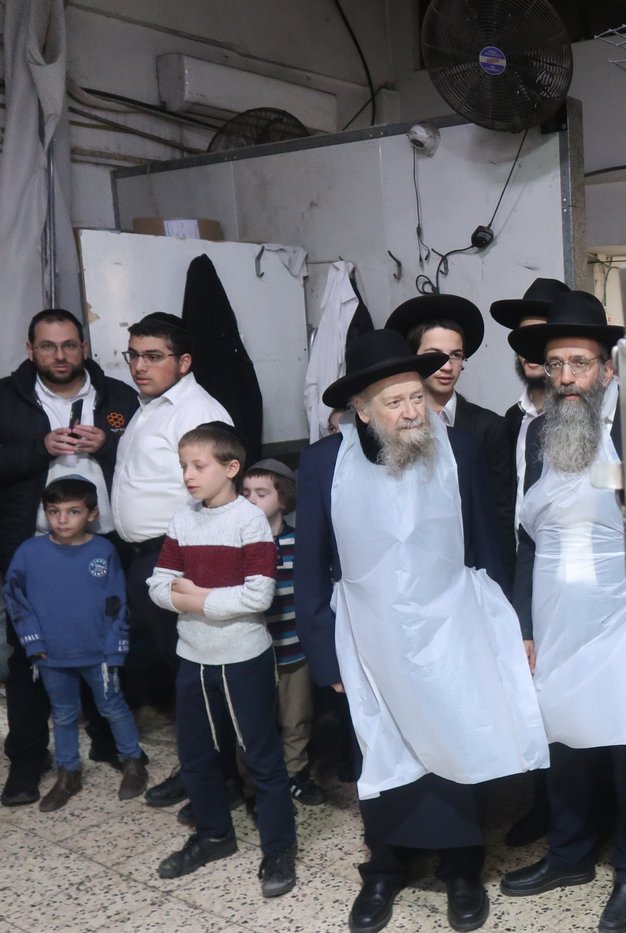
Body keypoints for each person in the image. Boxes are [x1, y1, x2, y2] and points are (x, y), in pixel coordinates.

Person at [296, 329, 548, 933]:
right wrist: (326, 661)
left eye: (416, 397)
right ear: (361, 409)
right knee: (381, 751)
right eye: (394, 401)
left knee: (456, 738)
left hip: (450, 630)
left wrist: (509, 625)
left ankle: (463, 868)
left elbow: (487, 543)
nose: (412, 411)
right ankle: (385, 869)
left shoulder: (456, 449)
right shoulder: (322, 463)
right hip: (367, 637)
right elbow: (310, 568)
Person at [499, 291, 626, 933]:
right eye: (555, 366)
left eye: (579, 364)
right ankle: (569, 854)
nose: (566, 379)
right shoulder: (536, 436)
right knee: (562, 742)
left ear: (607, 368)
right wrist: (525, 626)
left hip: (622, 613)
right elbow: (529, 539)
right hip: (555, 614)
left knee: (623, 747)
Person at [147, 423, 296, 898]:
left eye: (199, 466)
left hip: (242, 658)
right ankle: (214, 836)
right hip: (194, 655)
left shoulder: (249, 522)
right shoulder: (182, 519)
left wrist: (195, 596)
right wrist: (193, 599)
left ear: (231, 468)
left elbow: (258, 595)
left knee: (260, 756)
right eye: (184, 466)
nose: (188, 475)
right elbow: (156, 585)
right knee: (195, 755)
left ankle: (278, 848)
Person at [0, 308, 139, 806]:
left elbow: (151, 460)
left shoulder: (118, 397)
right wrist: (40, 449)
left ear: (84, 347)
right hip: (33, 547)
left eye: (68, 345)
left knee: (105, 642)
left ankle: (111, 745)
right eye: (48, 346)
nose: (59, 355)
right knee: (29, 655)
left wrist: (110, 445)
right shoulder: (8, 398)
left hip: (104, 543)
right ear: (30, 349)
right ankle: (27, 761)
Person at [110, 311, 232, 809]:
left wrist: (187, 564)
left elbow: (218, 495)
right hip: (147, 556)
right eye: (134, 355)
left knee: (195, 672)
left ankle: (213, 773)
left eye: (153, 356)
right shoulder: (152, 405)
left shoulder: (197, 411)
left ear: (183, 361)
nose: (140, 366)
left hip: (176, 556)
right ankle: (203, 767)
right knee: (178, 668)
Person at [3, 477, 148, 812]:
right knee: (64, 714)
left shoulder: (103, 550)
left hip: (98, 653)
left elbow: (117, 600)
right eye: (54, 511)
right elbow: (15, 598)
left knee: (113, 707)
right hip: (50, 655)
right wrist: (32, 639)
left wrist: (116, 643)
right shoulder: (29, 552)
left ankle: (132, 762)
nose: (62, 519)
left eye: (72, 511)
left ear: (92, 514)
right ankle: (68, 772)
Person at [489, 276, 569, 848]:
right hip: (523, 578)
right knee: (535, 700)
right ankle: (548, 807)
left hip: (575, 581)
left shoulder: (590, 419)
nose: (534, 353)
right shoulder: (509, 423)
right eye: (525, 342)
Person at [384, 294, 516, 567]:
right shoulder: (390, 424)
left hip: (471, 567)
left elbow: (501, 514)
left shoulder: (489, 427)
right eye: (435, 356)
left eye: (456, 356)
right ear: (413, 359)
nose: (447, 366)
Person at [241, 458, 327, 806]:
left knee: (297, 720)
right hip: (252, 654)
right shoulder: (238, 547)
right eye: (245, 493)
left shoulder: (299, 544)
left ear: (285, 499)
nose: (251, 500)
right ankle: (253, 781)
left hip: (294, 651)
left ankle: (295, 773)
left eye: (261, 493)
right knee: (252, 722)